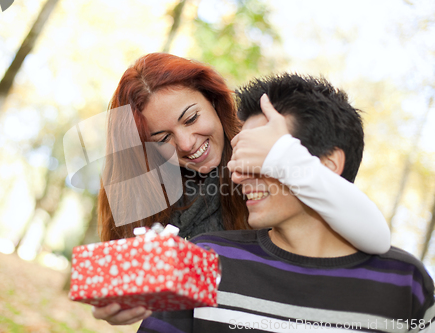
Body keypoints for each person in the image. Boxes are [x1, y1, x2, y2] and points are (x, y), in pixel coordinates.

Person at [94, 53, 390, 325]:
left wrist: (282, 155)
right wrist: (124, 302)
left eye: (191, 118)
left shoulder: (265, 155)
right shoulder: (157, 197)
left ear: (214, 101)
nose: (185, 143)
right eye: (162, 138)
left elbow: (375, 237)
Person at [136, 74, 434, 333]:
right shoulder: (205, 260)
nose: (236, 175)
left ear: (325, 167)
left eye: (260, 156)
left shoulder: (405, 283)